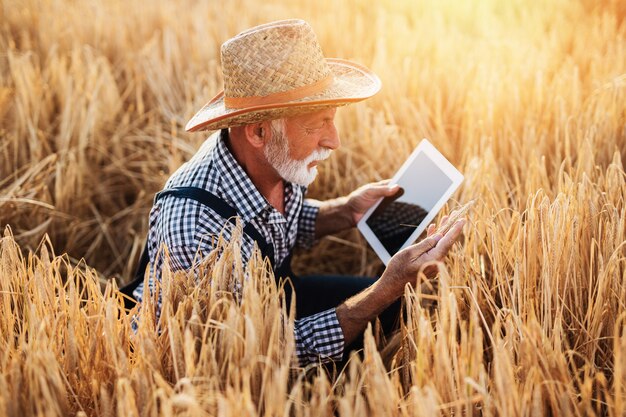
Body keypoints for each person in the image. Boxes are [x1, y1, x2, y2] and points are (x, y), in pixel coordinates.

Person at [131, 19, 465, 366]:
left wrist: (346, 211)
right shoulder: (196, 229)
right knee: (385, 299)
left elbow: (275, 222)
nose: (334, 141)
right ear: (259, 132)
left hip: (271, 299)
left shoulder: (270, 158)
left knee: (399, 306)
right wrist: (386, 287)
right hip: (227, 358)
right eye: (317, 124)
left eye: (332, 120)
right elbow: (261, 355)